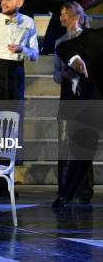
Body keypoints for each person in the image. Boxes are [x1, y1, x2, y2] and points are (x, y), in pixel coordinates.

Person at [53, 23, 103, 209]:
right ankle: (66, 194)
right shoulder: (94, 36)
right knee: (81, 152)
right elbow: (63, 46)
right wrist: (75, 60)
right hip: (93, 103)